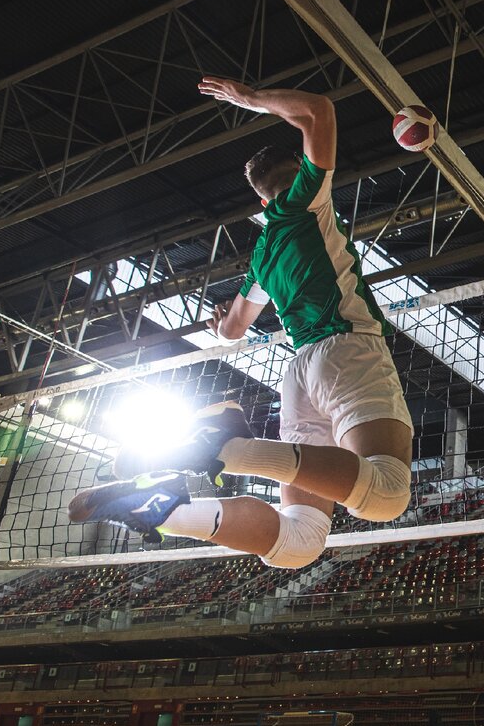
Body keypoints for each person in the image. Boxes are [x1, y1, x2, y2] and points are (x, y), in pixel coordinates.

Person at [68, 78, 414, 569]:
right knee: (388, 493)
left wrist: (220, 321)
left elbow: (231, 329)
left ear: (259, 202)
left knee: (298, 542)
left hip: (299, 375)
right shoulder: (305, 201)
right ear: (298, 176)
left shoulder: (262, 256)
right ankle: (225, 446)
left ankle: (162, 510)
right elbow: (318, 109)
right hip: (346, 349)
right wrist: (249, 99)